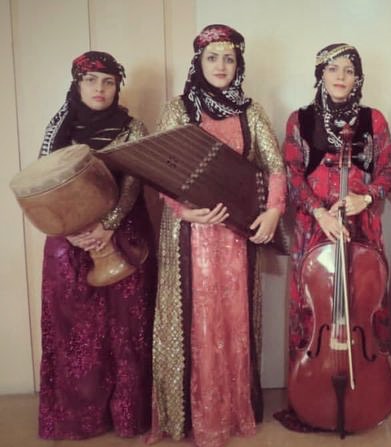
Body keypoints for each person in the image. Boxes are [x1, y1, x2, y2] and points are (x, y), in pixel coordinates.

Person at [147, 24, 286, 447]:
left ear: (238, 64)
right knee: (195, 322)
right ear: (199, 62)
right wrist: (183, 210)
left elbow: (275, 167)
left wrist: (274, 211)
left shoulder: (250, 111)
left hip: (236, 236)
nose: (221, 66)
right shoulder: (178, 110)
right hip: (189, 233)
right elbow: (159, 168)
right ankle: (190, 418)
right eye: (212, 58)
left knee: (233, 319)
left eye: (229, 58)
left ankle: (230, 413)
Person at [37, 51, 156, 440]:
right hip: (69, 237)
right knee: (75, 329)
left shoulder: (132, 127)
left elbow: (133, 181)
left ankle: (127, 416)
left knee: (127, 327)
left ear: (117, 87)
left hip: (124, 233)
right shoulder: (60, 128)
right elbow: (43, 184)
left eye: (108, 81)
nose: (99, 89)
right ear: (77, 84)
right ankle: (81, 418)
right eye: (90, 80)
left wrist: (108, 226)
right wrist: (70, 229)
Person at [280, 43, 391, 427]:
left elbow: (388, 172)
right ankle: (309, 394)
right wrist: (318, 212)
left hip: (361, 228)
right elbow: (293, 174)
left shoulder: (374, 120)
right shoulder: (300, 120)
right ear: (321, 75)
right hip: (315, 227)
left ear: (358, 77)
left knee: (364, 303)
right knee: (313, 310)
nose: (341, 76)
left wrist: (366, 198)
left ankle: (367, 392)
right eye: (332, 69)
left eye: (348, 69)